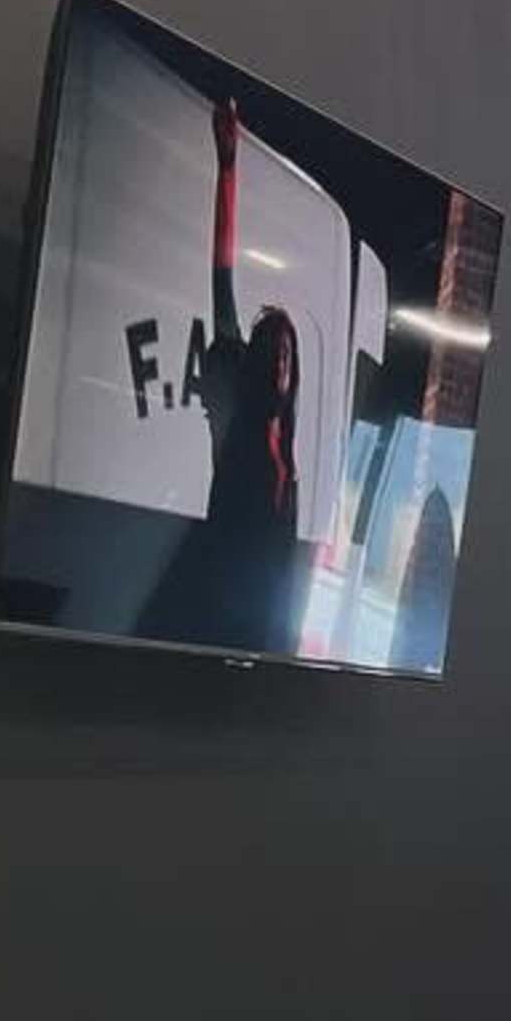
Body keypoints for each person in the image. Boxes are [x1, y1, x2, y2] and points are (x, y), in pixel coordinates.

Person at [145, 97, 307, 654]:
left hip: (265, 628)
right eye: (275, 352)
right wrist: (228, 166)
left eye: (290, 354)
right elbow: (223, 273)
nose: (282, 364)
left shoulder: (288, 438)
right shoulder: (239, 397)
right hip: (221, 606)